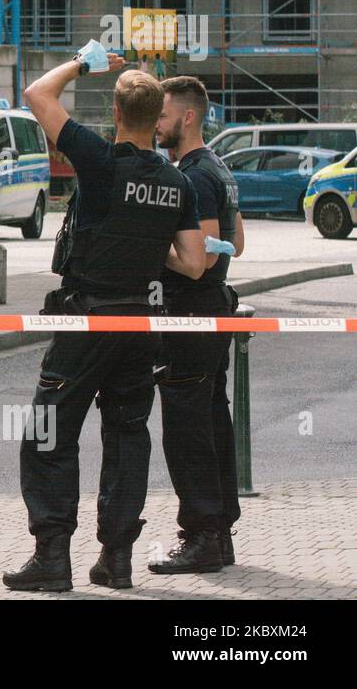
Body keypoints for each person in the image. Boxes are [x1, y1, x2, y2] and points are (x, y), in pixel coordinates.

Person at [3, 57, 206, 593]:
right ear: (158, 114)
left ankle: (51, 558)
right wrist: (143, 239)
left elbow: (36, 93)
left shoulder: (97, 159)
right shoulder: (175, 182)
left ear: (115, 112)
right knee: (126, 435)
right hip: (141, 323)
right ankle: (115, 560)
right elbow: (191, 262)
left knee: (49, 434)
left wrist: (83, 62)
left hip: (87, 319)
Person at [150, 76, 246, 574]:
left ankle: (202, 535)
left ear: (188, 116)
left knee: (187, 427)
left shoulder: (192, 174)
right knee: (211, 421)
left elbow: (199, 260)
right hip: (214, 309)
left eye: (162, 115)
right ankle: (219, 534)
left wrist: (150, 249)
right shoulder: (220, 169)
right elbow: (238, 242)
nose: (157, 124)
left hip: (191, 311)